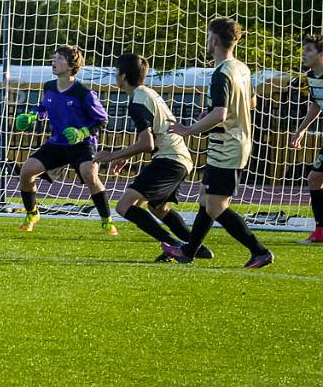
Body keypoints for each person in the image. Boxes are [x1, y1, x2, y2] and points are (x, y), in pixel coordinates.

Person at [161, 18, 273, 268]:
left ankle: (259, 251)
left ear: (213, 40)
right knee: (204, 199)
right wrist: (212, 111)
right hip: (233, 142)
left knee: (215, 206)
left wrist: (187, 129)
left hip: (227, 146)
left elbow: (221, 114)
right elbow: (251, 103)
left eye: (207, 36)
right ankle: (189, 251)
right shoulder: (241, 68)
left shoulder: (221, 73)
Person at [94, 53, 212, 261]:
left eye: (115, 72)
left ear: (122, 76)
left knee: (124, 206)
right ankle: (196, 248)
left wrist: (112, 155)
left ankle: (175, 246)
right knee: (158, 207)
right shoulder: (147, 93)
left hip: (170, 159)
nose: (115, 76)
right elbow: (151, 137)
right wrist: (126, 156)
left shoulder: (138, 100)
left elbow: (147, 144)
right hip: (179, 157)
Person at [14, 45, 116, 235]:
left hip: (82, 145)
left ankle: (107, 220)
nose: (53, 61)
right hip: (57, 144)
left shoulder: (83, 93)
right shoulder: (49, 86)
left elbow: (102, 120)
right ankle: (32, 213)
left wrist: (82, 132)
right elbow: (44, 108)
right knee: (26, 172)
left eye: (59, 58)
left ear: (71, 65)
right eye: (53, 57)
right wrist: (32, 115)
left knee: (90, 175)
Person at [290, 34, 323, 244]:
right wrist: (301, 129)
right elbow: (316, 104)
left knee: (315, 178)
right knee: (315, 179)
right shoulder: (311, 76)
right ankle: (320, 231)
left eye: (309, 49)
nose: (304, 53)